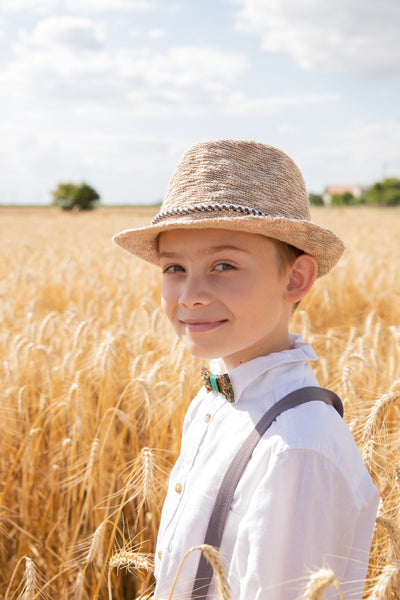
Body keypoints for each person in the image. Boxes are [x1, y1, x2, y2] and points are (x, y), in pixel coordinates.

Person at [113, 140, 379, 600]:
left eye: (224, 265)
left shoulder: (296, 450)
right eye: (174, 267)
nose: (190, 294)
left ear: (295, 279)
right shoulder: (212, 401)